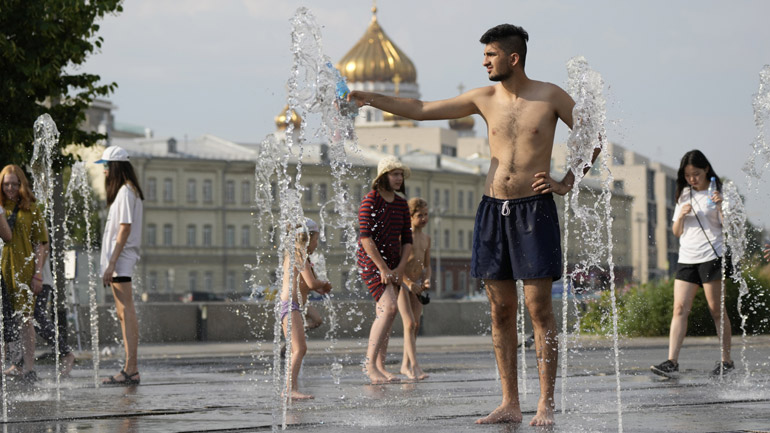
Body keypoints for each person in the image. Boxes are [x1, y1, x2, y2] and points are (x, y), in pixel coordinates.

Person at [349, 24, 595, 426]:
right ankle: (509, 402)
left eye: (490, 55)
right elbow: (423, 110)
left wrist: (567, 180)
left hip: (535, 210)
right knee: (500, 310)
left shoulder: (549, 96)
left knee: (538, 309)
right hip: (492, 211)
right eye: (483, 55)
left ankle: (546, 402)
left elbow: (592, 134)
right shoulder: (483, 98)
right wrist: (367, 98)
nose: (483, 62)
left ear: (512, 58)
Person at [651, 150, 734, 378]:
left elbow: (729, 229)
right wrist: (680, 216)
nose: (692, 179)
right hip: (687, 258)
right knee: (679, 309)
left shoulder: (719, 192)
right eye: (688, 175)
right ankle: (671, 361)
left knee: (716, 309)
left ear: (706, 169)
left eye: (695, 174)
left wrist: (720, 206)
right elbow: (676, 232)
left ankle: (726, 361)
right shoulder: (683, 195)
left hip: (712, 256)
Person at [357, 156, 413, 385]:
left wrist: (399, 268)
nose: (399, 178)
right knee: (389, 308)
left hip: (394, 263)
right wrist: (382, 268)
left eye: (400, 174)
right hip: (372, 262)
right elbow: (365, 238)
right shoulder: (370, 200)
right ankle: (369, 365)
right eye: (394, 174)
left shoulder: (401, 204)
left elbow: (407, 241)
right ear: (382, 177)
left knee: (386, 314)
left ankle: (380, 366)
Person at [97, 146, 144, 386]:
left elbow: (124, 228)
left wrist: (112, 263)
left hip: (122, 261)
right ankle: (129, 368)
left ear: (115, 167)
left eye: (106, 166)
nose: (104, 171)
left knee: (126, 312)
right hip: (120, 262)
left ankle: (131, 369)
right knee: (123, 313)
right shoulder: (127, 191)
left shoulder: (126, 192)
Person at [0, 164, 50, 383]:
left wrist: (38, 273)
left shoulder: (31, 208)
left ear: (22, 184)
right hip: (2, 270)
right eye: (6, 184)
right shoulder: (0, 206)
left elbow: (42, 244)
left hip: (23, 269)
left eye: (14, 183)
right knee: (3, 319)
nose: (10, 188)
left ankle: (29, 368)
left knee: (26, 319)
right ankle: (8, 365)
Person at [279, 218, 332, 400]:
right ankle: (289, 389)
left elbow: (311, 285)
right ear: (309, 238)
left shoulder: (301, 255)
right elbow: (311, 282)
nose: (317, 244)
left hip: (298, 304)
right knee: (299, 349)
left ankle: (291, 386)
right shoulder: (299, 252)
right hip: (290, 305)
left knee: (314, 324)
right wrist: (324, 284)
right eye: (317, 240)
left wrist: (320, 286)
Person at [398, 197, 431, 381]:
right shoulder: (403, 237)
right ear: (410, 216)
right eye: (420, 215)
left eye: (426, 215)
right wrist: (408, 283)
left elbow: (427, 264)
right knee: (409, 324)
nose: (424, 219)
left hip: (417, 284)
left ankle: (405, 364)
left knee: (415, 326)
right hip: (403, 283)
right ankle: (416, 367)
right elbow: (396, 263)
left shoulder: (427, 238)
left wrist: (427, 280)